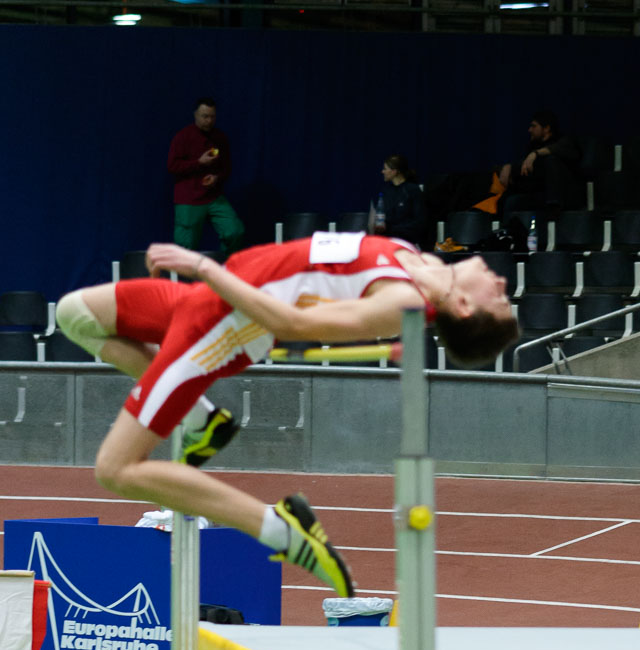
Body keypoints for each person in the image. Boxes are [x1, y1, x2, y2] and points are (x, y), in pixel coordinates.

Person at [55, 233, 518, 599]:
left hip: (217, 326)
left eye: (499, 299)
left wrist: (202, 266)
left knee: (114, 469)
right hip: (204, 301)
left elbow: (291, 326)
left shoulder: (403, 301)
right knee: (73, 313)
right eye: (505, 295)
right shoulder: (425, 263)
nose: (501, 284)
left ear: (462, 307)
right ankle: (201, 421)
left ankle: (281, 529)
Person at [167, 97, 245, 258]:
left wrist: (216, 178)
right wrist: (198, 163)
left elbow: (226, 168)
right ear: (195, 115)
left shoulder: (220, 138)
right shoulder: (183, 137)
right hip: (189, 199)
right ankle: (185, 281)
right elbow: (172, 166)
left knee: (234, 231)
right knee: (185, 246)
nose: (208, 120)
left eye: (212, 116)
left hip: (213, 197)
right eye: (204, 116)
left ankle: (226, 271)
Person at [499, 110, 583, 221]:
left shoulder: (564, 141)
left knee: (551, 160)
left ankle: (554, 210)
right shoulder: (533, 145)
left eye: (534, 126)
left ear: (547, 128)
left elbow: (562, 150)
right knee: (511, 202)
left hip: (563, 197)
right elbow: (524, 165)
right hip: (540, 194)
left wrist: (535, 154)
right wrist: (508, 166)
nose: (530, 130)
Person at [373, 155, 426, 245]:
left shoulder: (412, 190)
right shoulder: (386, 192)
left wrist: (392, 229)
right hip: (388, 241)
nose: (382, 172)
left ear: (394, 171)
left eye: (385, 169)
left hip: (407, 241)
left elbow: (419, 222)